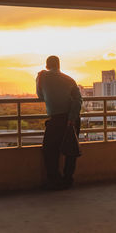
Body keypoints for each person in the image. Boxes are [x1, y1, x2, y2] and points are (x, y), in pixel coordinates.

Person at [36, 55, 82, 190]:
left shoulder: (42, 77)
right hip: (71, 119)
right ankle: (68, 180)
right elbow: (78, 100)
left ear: (46, 65)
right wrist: (72, 119)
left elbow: (40, 96)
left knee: (49, 150)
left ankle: (54, 180)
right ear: (59, 66)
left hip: (55, 119)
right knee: (71, 150)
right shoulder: (70, 80)